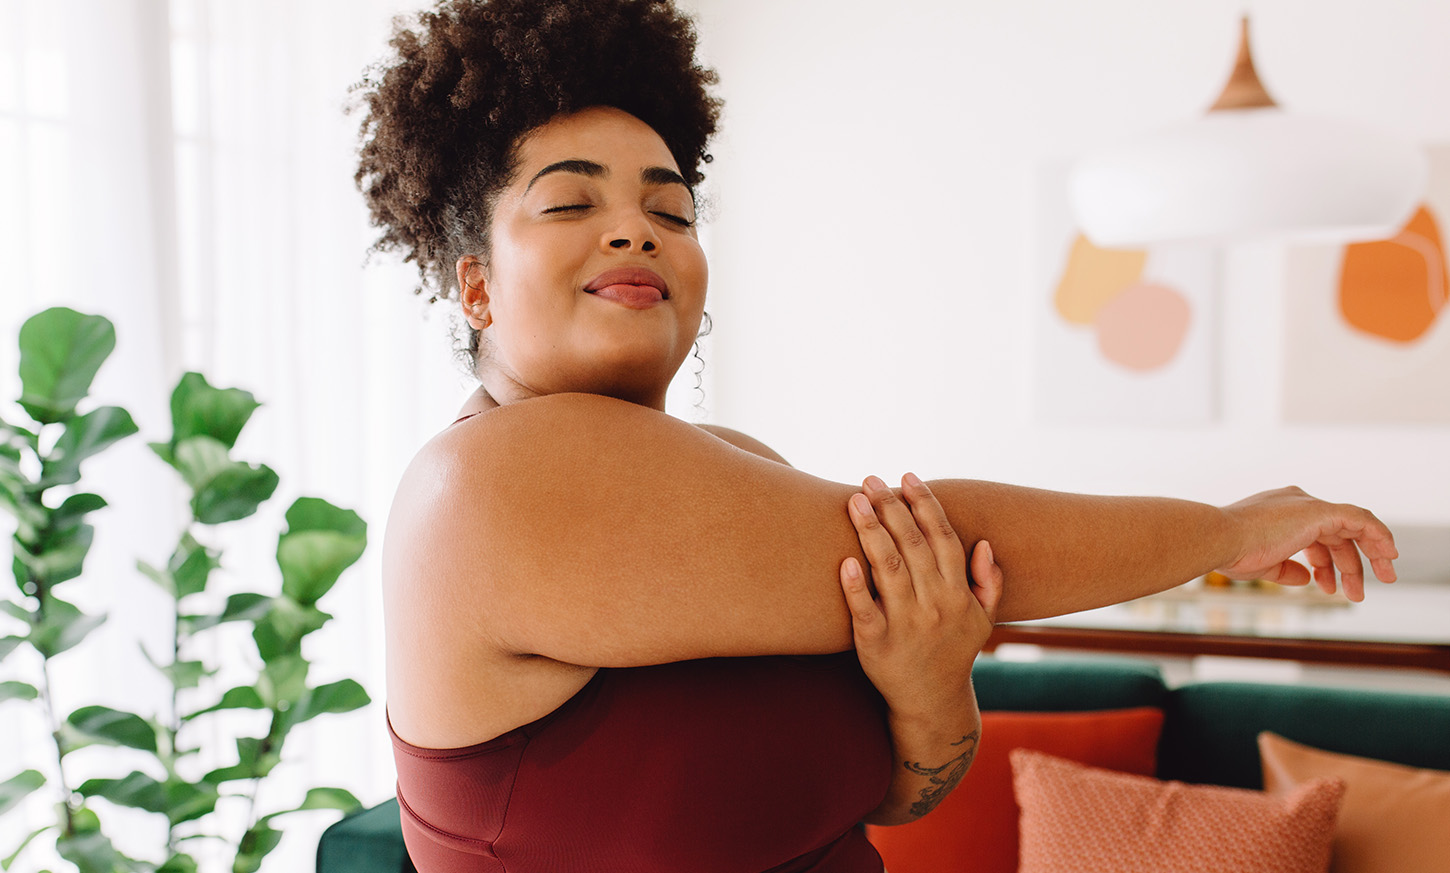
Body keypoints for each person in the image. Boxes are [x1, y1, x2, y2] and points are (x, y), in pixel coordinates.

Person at [354, 2, 1399, 870]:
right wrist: (1232, 528)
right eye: (571, 202)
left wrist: (928, 683)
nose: (635, 230)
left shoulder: (745, 471)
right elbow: (943, 536)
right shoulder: (482, 485)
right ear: (476, 286)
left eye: (671, 214)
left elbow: (901, 795)